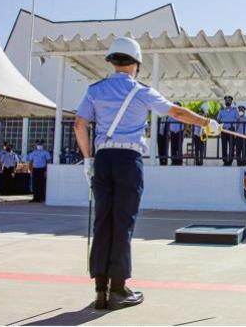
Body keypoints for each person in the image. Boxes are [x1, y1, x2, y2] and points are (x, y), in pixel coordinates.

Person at [74, 36, 220, 310]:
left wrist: (87, 160)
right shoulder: (141, 91)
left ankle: (100, 290)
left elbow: (79, 123)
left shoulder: (96, 90)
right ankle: (118, 288)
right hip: (129, 160)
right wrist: (206, 122)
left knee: (102, 222)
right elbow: (175, 112)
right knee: (123, 222)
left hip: (103, 160)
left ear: (112, 62)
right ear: (136, 65)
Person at [217, 95, 238, 166]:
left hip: (231, 129)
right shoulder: (221, 111)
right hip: (224, 130)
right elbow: (218, 120)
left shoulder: (235, 110)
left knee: (232, 146)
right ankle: (225, 160)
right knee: (224, 146)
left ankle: (230, 160)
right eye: (226, 100)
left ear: (231, 101)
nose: (227, 101)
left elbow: (238, 119)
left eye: (229, 100)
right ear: (225, 101)